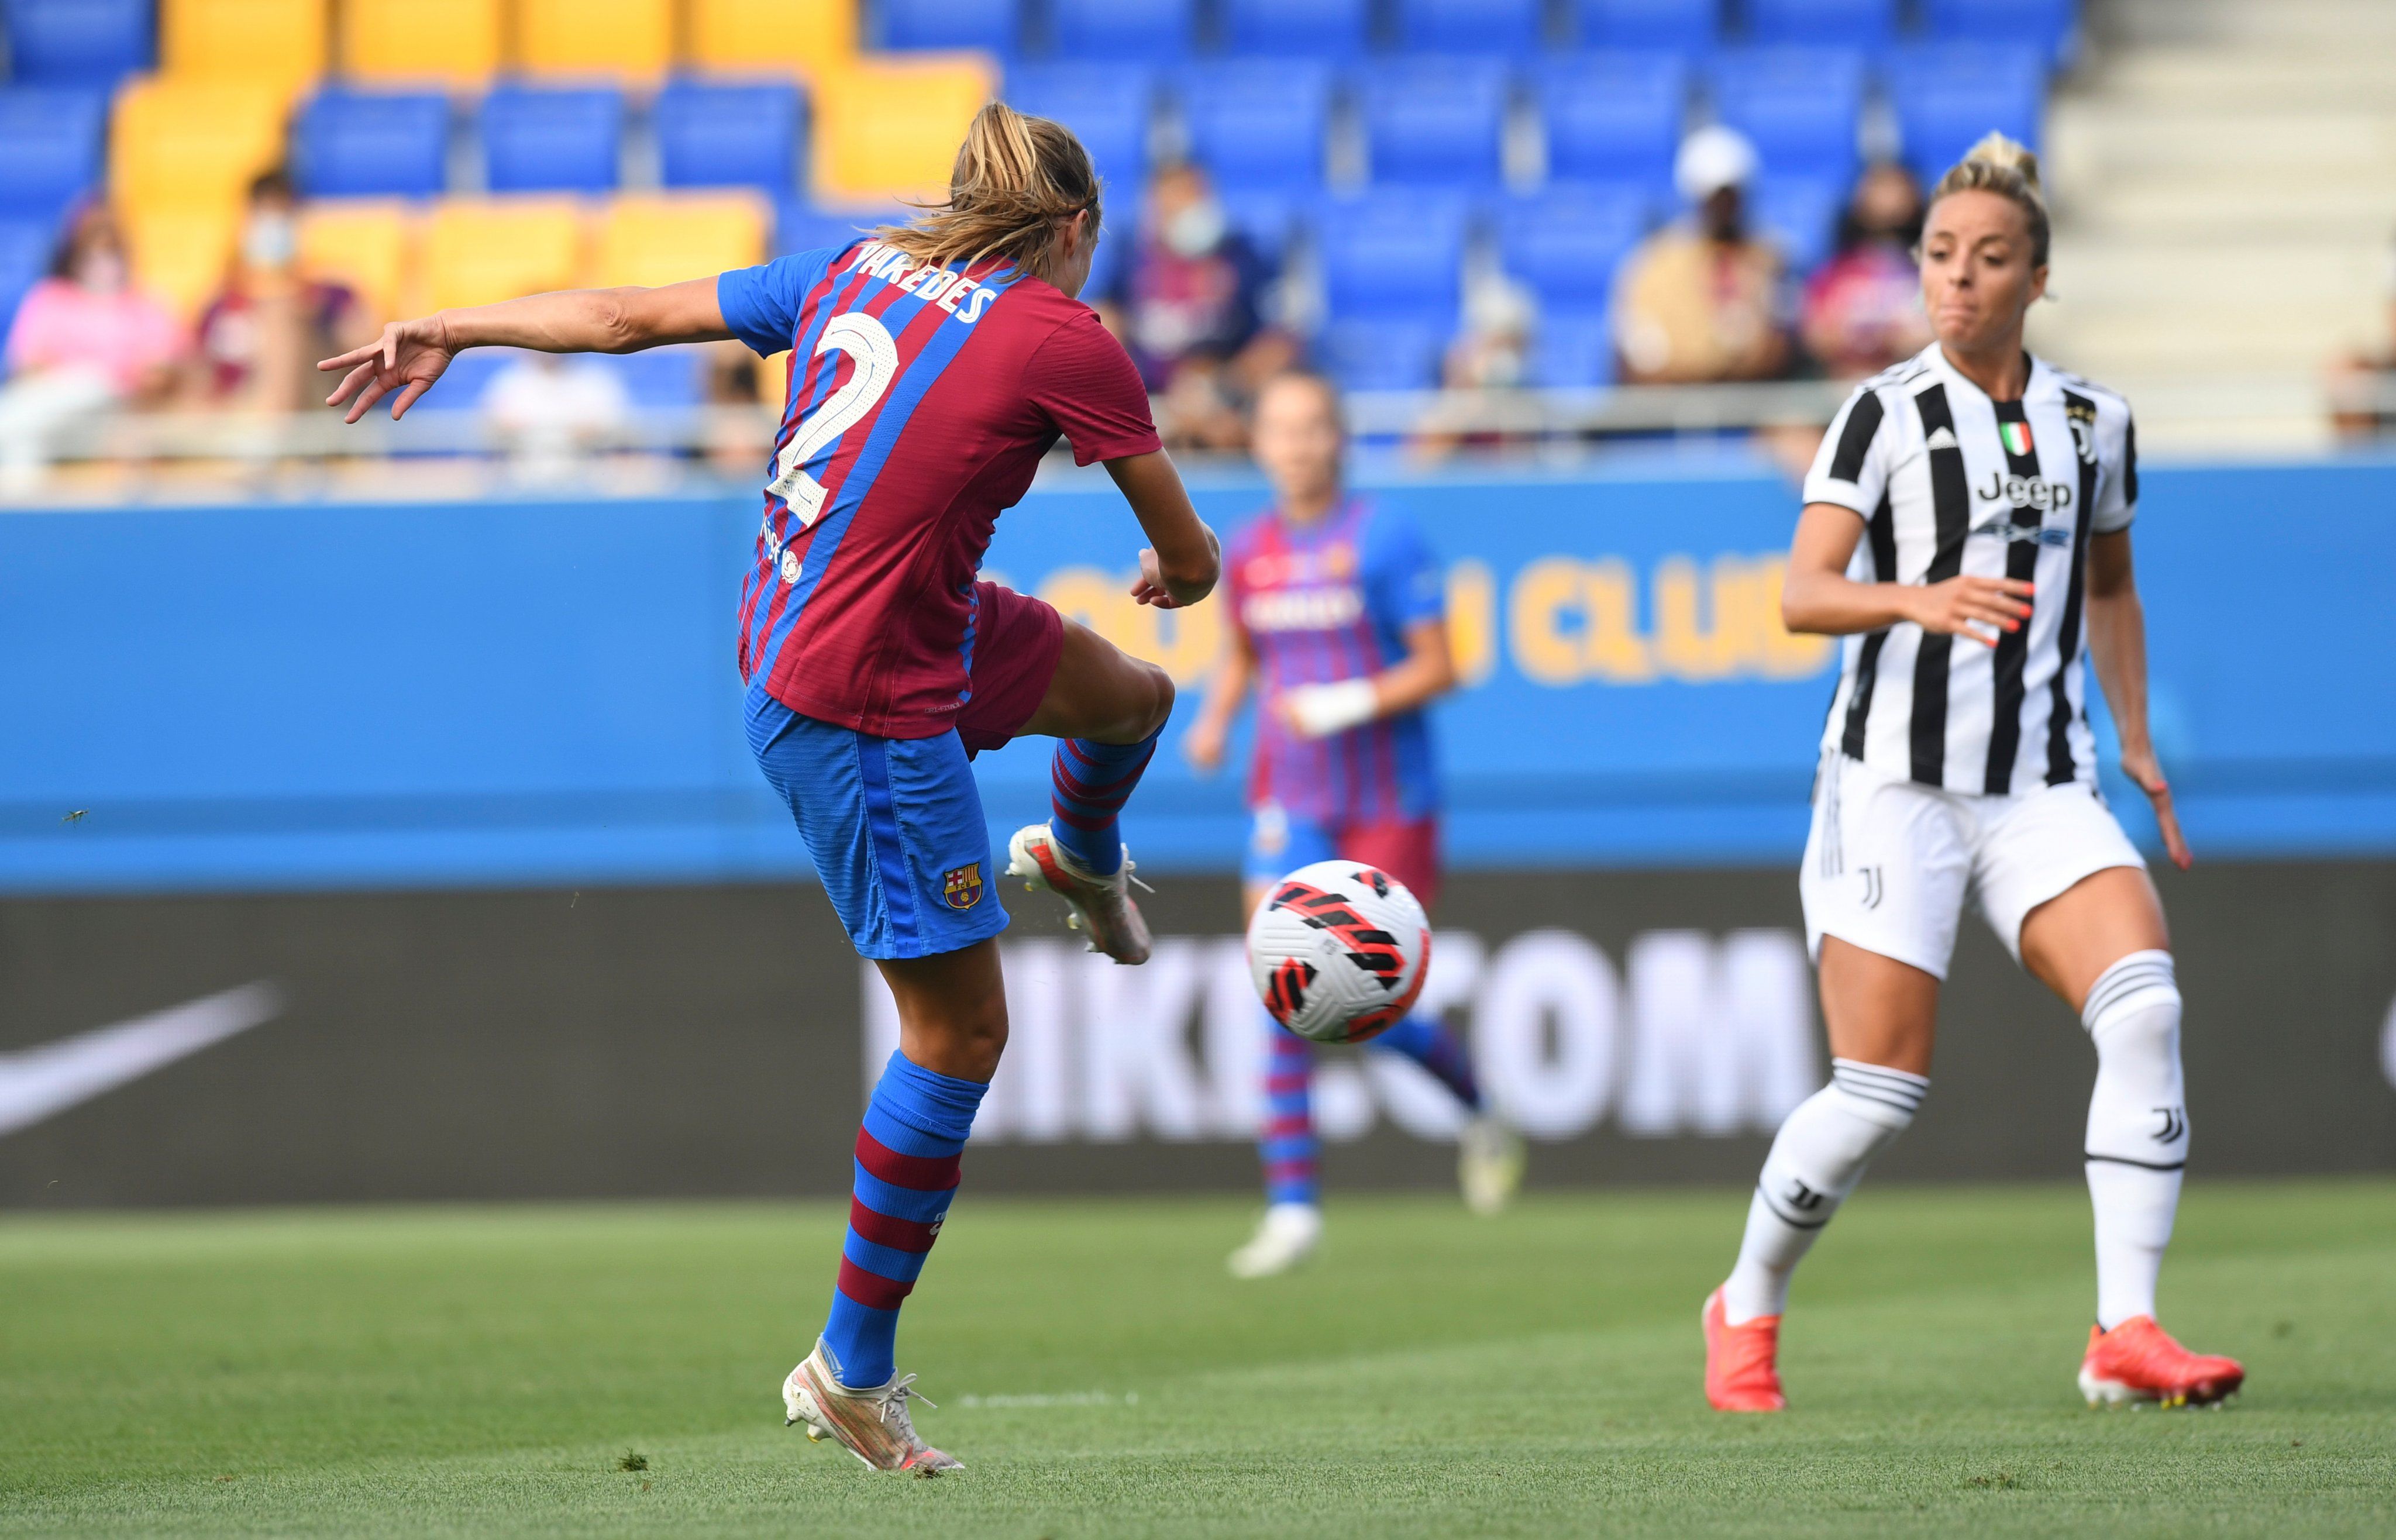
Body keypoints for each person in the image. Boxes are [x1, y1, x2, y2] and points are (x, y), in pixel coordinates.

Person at [320, 102, 1221, 1474]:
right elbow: (1184, 549)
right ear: (1076, 230)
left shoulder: (851, 268)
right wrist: (1189, 571)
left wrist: (454, 324)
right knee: (961, 1035)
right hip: (861, 700)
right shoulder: (1064, 332)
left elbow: (625, 318)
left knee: (1129, 700)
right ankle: (848, 1371)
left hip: (904, 625)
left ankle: (1081, 853)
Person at [1701, 135, 2244, 1414]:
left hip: (2042, 782)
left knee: (2145, 1007)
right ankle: (1747, 1297)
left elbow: (2107, 583)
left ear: (2036, 277)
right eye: (1939, 254)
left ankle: (2124, 1326)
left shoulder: (2091, 421)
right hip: (1892, 780)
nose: (1956, 278)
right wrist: (1919, 597)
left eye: (1987, 257)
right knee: (1876, 1088)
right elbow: (1799, 593)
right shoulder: (1880, 411)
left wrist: (2136, 739)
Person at [1183, 370, 1523, 1279]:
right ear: (1259, 444)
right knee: (1280, 986)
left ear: (1339, 439)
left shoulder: (1386, 535)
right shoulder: (1249, 550)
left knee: (1372, 1006)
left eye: (1312, 428)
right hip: (1290, 798)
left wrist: (1341, 704)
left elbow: (1443, 665)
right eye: (1280, 429)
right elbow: (1246, 651)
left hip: (1387, 803)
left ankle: (1479, 1105)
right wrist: (1216, 719)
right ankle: (1292, 1207)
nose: (1295, 445)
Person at [1101, 160, 1294, 452]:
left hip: (1228, 406)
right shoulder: (1131, 262)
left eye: (1195, 197)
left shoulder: (1242, 258)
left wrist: (1220, 391)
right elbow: (1104, 322)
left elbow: (1280, 342)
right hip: (1151, 410)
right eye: (1175, 201)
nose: (1188, 208)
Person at [0, 204, 185, 491]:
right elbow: (26, 366)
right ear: (75, 250)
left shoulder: (147, 305)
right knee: (22, 445)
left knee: (93, 382)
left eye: (111, 246)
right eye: (92, 246)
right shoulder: (50, 299)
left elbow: (160, 374)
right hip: (56, 417)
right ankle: (22, 526)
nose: (102, 256)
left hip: (117, 412)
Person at [1612, 125, 1789, 385]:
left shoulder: (1771, 259)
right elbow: (1636, 364)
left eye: (1731, 197)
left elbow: (1778, 349)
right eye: (1715, 198)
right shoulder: (1654, 264)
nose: (1724, 208)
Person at [195, 171, 368, 411]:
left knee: (282, 322)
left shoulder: (331, 293)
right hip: (236, 414)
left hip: (312, 409)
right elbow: (200, 368)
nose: (273, 228)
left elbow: (366, 348)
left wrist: (315, 320)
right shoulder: (223, 302)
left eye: (282, 217)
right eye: (264, 217)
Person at [1800, 161, 1933, 380]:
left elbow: (1941, 335)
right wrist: (1869, 338)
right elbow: (1816, 335)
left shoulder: (1933, 269)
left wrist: (1887, 337)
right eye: (1880, 186)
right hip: (1844, 385)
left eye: (1895, 187)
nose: (1889, 199)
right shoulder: (1835, 271)